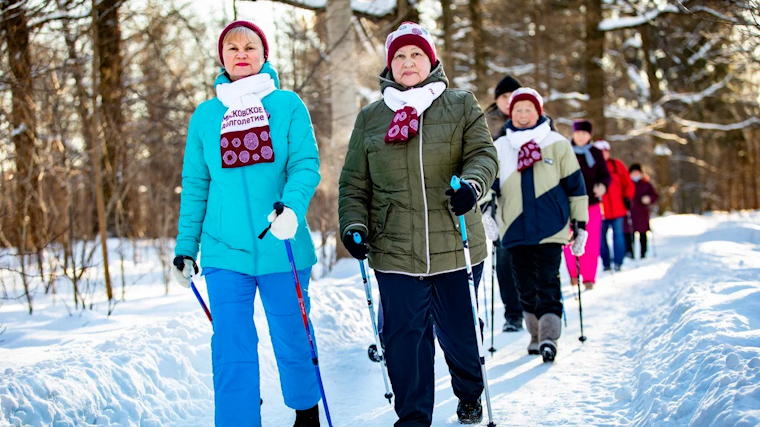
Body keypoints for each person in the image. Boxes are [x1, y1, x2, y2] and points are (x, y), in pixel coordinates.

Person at [338, 22, 498, 426]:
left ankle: (469, 391)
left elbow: (483, 154)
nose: (408, 63)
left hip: (455, 240)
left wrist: (474, 185)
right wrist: (353, 224)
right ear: (390, 65)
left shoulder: (460, 104)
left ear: (431, 60)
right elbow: (355, 182)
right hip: (394, 249)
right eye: (400, 56)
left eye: (416, 55)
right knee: (405, 341)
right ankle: (412, 418)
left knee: (460, 335)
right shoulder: (371, 118)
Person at [172, 21, 323, 427]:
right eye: (232, 47)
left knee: (293, 335)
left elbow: (305, 165)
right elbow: (196, 185)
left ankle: (306, 413)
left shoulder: (287, 104)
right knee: (231, 347)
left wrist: (291, 208)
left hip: (283, 243)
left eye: (250, 46)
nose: (241, 52)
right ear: (222, 57)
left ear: (264, 54)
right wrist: (186, 246)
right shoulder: (206, 116)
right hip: (224, 251)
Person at [491, 87, 588, 362]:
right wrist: (487, 213)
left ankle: (548, 338)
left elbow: (575, 186)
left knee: (548, 281)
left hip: (551, 227)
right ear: (511, 113)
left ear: (539, 112)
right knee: (524, 285)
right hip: (513, 227)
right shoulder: (500, 146)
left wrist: (580, 224)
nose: (523, 115)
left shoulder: (557, 143)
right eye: (517, 109)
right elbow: (490, 185)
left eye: (528, 109)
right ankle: (534, 334)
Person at [484, 75, 525, 332]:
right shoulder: (485, 122)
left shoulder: (532, 118)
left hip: (531, 196)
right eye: (504, 96)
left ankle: (536, 307)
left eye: (513, 95)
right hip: (499, 195)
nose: (509, 101)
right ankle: (513, 313)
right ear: (497, 99)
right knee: (505, 255)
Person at [563, 120, 610, 290]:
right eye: (578, 133)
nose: (581, 136)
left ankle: (589, 277)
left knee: (591, 241)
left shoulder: (596, 152)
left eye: (585, 133)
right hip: (568, 204)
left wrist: (602, 185)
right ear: (573, 133)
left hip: (591, 203)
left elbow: (605, 175)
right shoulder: (564, 149)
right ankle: (574, 274)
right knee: (568, 240)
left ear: (590, 135)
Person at [594, 140, 635, 272]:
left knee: (618, 236)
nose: (603, 154)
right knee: (601, 238)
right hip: (600, 210)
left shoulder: (617, 165)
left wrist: (628, 197)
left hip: (618, 208)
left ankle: (618, 262)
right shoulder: (592, 167)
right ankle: (606, 263)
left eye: (605, 151)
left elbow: (628, 183)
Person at [625, 163, 659, 258]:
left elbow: (654, 195)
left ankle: (643, 253)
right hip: (629, 213)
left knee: (643, 233)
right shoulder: (626, 183)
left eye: (637, 172)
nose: (635, 174)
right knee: (628, 233)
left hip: (642, 212)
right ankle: (629, 252)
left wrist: (649, 199)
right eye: (633, 172)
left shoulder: (646, 184)